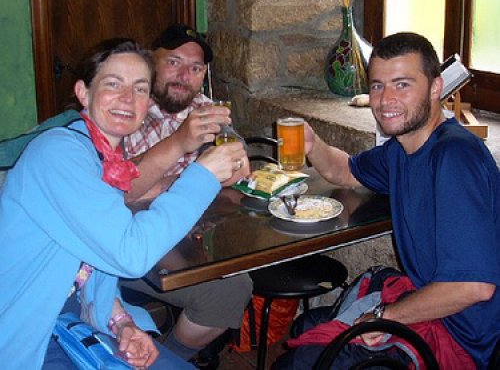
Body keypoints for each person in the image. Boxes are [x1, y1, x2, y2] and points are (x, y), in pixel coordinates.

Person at [0, 38, 247, 369]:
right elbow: (130, 255)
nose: (128, 99)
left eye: (140, 88)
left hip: (75, 325)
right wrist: (202, 176)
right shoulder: (57, 153)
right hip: (26, 338)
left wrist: (123, 324)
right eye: (113, 84)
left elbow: (89, 271)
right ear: (83, 93)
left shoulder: (105, 161)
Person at [273, 33, 500, 369]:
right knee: (308, 328)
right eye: (378, 86)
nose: (385, 99)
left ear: (436, 87)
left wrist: (383, 315)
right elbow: (346, 171)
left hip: (462, 340)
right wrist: (311, 143)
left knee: (301, 363)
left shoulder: (454, 158)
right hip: (430, 307)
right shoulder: (402, 149)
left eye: (402, 84)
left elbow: (473, 287)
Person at [121, 24, 253, 366]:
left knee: (235, 282)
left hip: (189, 234)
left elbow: (240, 168)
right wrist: (188, 160)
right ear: (151, 61)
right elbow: (120, 192)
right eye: (174, 62)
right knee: (226, 289)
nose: (184, 76)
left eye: (195, 68)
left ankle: (165, 358)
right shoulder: (125, 107)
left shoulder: (205, 108)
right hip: (124, 242)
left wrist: (164, 183)